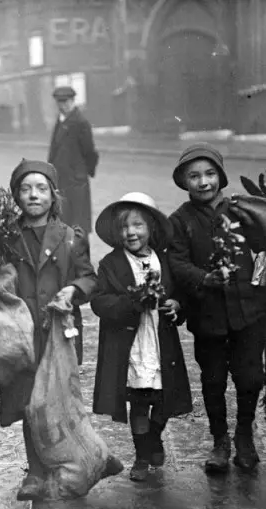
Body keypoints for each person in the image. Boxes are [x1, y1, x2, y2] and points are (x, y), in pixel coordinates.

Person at [0, 159, 97, 501]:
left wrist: (74, 290)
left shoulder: (70, 237)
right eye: (25, 189)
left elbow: (89, 277)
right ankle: (36, 472)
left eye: (41, 188)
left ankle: (65, 463)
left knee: (56, 400)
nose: (33, 195)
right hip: (19, 334)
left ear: (53, 196)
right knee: (28, 403)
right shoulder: (2, 237)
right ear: (15, 196)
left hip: (57, 332)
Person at [168, 144, 266, 473]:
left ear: (221, 177)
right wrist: (203, 278)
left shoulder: (240, 212)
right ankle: (220, 440)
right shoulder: (180, 221)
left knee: (250, 377)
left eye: (210, 174)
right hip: (207, 316)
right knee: (212, 380)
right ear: (184, 181)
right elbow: (177, 261)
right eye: (194, 176)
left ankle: (244, 435)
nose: (203, 182)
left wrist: (260, 279)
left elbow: (265, 246)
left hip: (247, 312)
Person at [91, 193, 193, 481]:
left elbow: (178, 293)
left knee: (163, 401)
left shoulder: (164, 260)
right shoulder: (111, 264)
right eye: (124, 227)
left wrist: (175, 305)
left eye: (137, 226)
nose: (131, 232)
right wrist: (132, 303)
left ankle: (154, 439)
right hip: (133, 345)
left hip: (161, 342)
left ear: (151, 229)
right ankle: (141, 456)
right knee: (138, 402)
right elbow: (100, 302)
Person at [47, 86, 99, 233]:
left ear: (73, 101)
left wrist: (85, 172)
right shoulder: (61, 120)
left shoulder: (80, 122)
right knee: (63, 222)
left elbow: (90, 152)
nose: (63, 105)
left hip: (76, 181)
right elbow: (54, 149)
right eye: (60, 102)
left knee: (78, 224)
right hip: (61, 179)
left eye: (67, 102)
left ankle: (81, 255)